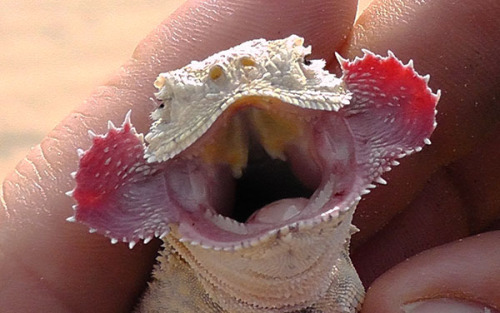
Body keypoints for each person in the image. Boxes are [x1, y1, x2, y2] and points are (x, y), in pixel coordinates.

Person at [0, 0, 498, 312]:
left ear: (366, 126)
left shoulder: (348, 285)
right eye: (169, 103)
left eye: (297, 66)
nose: (234, 79)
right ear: (145, 187)